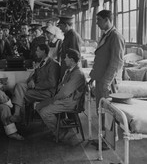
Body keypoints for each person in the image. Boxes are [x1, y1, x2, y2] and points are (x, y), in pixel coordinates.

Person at [89, 10, 125, 149]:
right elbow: (100, 59)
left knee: (108, 111)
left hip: (107, 81)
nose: (96, 23)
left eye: (98, 20)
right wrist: (93, 77)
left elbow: (117, 62)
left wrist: (106, 82)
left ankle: (109, 141)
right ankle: (103, 137)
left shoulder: (115, 36)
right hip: (101, 79)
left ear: (106, 20)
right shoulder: (106, 35)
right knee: (101, 110)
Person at [36, 49, 86, 141]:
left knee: (44, 112)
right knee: (38, 106)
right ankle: (57, 128)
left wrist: (54, 99)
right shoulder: (70, 71)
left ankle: (60, 133)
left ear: (71, 60)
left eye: (66, 58)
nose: (64, 60)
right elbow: (61, 88)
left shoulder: (77, 74)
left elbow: (64, 92)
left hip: (70, 102)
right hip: (64, 99)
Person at [10, 44, 60, 122]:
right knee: (19, 86)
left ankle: (20, 117)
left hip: (48, 92)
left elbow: (52, 83)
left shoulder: (53, 64)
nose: (36, 52)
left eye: (37, 50)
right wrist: (32, 80)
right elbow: (35, 74)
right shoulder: (41, 62)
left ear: (43, 51)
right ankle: (17, 115)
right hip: (39, 89)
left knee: (20, 94)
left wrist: (35, 86)